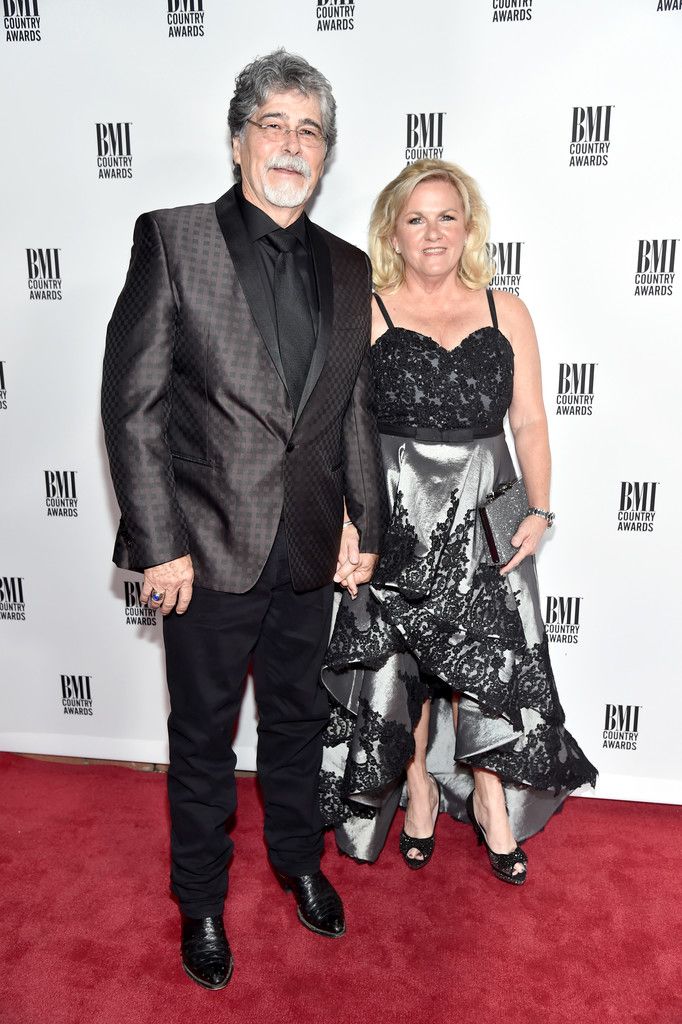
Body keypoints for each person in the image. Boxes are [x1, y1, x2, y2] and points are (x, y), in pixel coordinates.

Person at [101, 49, 387, 990]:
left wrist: (362, 523)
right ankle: (202, 903)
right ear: (237, 141)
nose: (291, 145)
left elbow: (346, 408)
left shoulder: (349, 268)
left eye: (309, 130)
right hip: (206, 550)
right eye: (274, 124)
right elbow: (133, 403)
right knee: (202, 737)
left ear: (326, 153)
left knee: (301, 721)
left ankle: (299, 860)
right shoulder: (173, 238)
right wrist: (158, 543)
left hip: (309, 544)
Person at [319, 159, 597, 883]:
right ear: (393, 232)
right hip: (398, 508)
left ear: (468, 227)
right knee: (403, 661)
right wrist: (355, 520)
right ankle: (416, 790)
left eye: (446, 216)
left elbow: (531, 422)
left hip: (485, 507)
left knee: (488, 661)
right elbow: (345, 430)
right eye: (416, 218)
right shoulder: (367, 309)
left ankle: (491, 805)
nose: (432, 232)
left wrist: (537, 510)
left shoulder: (508, 310)